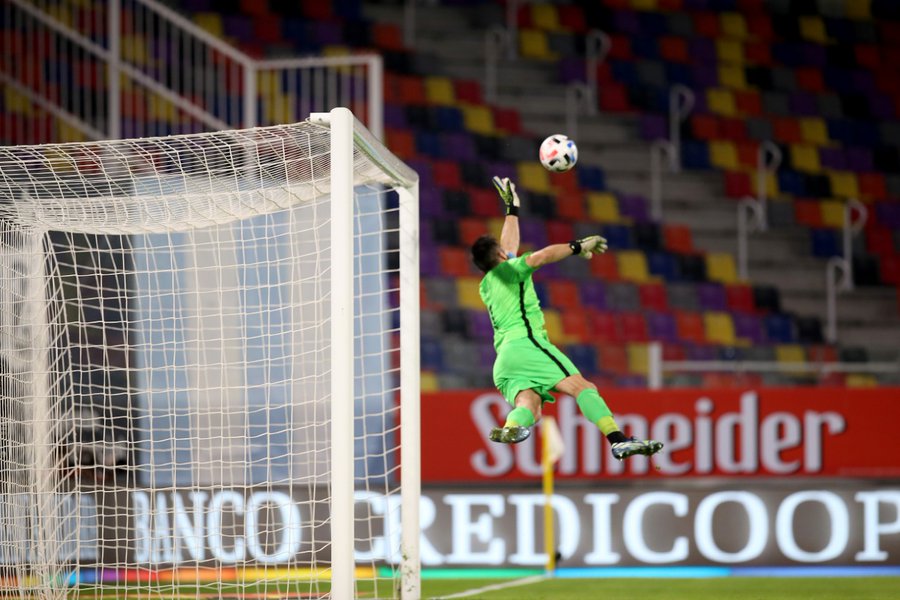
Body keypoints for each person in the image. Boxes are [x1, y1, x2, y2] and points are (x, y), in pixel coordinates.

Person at [470, 176, 664, 461]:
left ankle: (512, 425)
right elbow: (540, 257)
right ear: (500, 254)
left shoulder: (487, 284)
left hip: (504, 361)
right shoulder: (514, 269)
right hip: (529, 344)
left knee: (531, 407)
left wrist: (512, 210)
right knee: (583, 387)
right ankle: (618, 439)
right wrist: (578, 246)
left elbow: (507, 249)